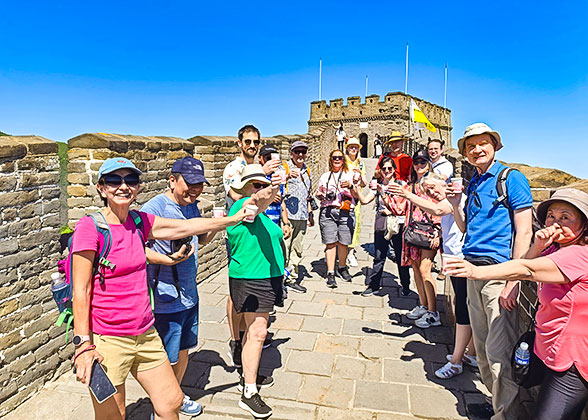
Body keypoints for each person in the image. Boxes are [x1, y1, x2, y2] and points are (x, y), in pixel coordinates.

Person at [71, 157, 246, 420]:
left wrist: (234, 218)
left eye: (130, 180)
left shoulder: (140, 222)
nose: (123, 186)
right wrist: (83, 346)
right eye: (114, 180)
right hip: (109, 339)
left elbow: (186, 227)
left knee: (171, 402)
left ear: (138, 187)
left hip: (145, 332)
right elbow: (81, 291)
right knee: (113, 414)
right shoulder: (90, 227)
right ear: (101, 187)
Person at [446, 188, 588, 420]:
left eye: (566, 217)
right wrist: (539, 246)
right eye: (551, 216)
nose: (555, 222)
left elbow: (528, 270)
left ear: (584, 225)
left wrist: (476, 271)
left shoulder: (579, 255)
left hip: (571, 359)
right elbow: (528, 264)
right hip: (549, 349)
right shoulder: (556, 248)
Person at [448, 123, 533, 419]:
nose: (476, 150)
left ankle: (506, 415)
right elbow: (465, 228)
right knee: (482, 350)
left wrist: (514, 280)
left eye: (483, 143)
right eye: (471, 146)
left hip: (498, 274)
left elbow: (524, 233)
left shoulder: (512, 178)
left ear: (495, 146)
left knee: (498, 354)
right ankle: (497, 404)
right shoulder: (475, 181)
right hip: (472, 271)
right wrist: (455, 204)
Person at [140, 157, 216, 417]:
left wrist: (217, 223)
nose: (195, 190)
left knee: (183, 351)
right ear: (172, 180)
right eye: (190, 183)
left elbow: (201, 239)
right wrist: (167, 259)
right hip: (165, 298)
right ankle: (161, 407)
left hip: (189, 294)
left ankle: (177, 396)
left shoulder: (191, 206)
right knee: (165, 359)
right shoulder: (153, 208)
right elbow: (137, 249)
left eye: (200, 184)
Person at [388, 172, 477, 377]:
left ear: (444, 182)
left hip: (463, 260)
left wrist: (407, 194)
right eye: (427, 190)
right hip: (455, 259)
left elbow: (437, 209)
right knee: (467, 307)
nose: (432, 192)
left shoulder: (454, 200)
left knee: (465, 309)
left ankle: (457, 361)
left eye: (434, 188)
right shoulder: (450, 201)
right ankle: (470, 353)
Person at [226, 164, 284, 418]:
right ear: (245, 188)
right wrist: (271, 188)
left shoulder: (262, 216)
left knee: (254, 331)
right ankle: (249, 392)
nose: (260, 189)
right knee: (260, 332)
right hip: (250, 276)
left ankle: (247, 374)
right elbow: (256, 202)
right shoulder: (242, 208)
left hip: (268, 276)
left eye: (263, 184)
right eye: (255, 184)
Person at [223, 125, 280, 370]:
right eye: (248, 141)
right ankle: (237, 340)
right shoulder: (234, 169)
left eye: (256, 141)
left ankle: (249, 338)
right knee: (237, 294)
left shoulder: (258, 169)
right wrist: (266, 185)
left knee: (252, 306)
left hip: (262, 233)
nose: (252, 145)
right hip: (241, 234)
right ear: (239, 142)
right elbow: (243, 200)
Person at [397, 149, 442, 328]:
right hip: (412, 232)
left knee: (425, 270)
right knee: (416, 269)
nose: (419, 166)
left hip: (430, 233)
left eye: (423, 162)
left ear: (429, 163)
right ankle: (423, 305)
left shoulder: (434, 182)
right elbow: (400, 208)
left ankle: (433, 313)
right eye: (416, 163)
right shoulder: (411, 185)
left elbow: (440, 206)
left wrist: (438, 231)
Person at [354, 157, 409, 297]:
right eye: (384, 168)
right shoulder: (377, 185)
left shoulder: (400, 184)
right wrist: (355, 188)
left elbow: (403, 206)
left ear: (394, 170)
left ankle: (406, 286)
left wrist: (391, 210)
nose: (387, 171)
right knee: (379, 256)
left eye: (390, 168)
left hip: (398, 224)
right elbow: (365, 200)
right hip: (382, 223)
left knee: (400, 255)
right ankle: (374, 285)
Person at [316, 149, 360, 288]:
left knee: (343, 242)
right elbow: (319, 193)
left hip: (346, 210)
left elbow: (357, 195)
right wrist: (320, 195)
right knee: (330, 242)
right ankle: (330, 273)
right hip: (328, 211)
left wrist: (351, 186)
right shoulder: (325, 176)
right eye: (334, 157)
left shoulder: (350, 174)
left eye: (340, 157)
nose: (337, 160)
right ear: (330, 159)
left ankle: (342, 267)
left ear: (343, 159)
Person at [281, 140, 314, 293]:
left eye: (303, 152)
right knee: (284, 248)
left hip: (302, 215)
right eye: (297, 151)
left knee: (297, 248)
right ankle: (280, 279)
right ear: (291, 153)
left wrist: (310, 213)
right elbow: (274, 186)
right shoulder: (285, 167)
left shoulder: (307, 170)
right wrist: (286, 176)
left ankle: (292, 278)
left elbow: (308, 194)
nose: (300, 155)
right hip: (287, 215)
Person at [344, 137, 367, 267]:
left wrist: (360, 176)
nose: (353, 149)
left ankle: (351, 253)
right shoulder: (342, 161)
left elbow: (364, 182)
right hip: (343, 197)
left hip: (356, 197)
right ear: (347, 148)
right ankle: (337, 251)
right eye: (351, 146)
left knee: (355, 225)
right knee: (341, 223)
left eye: (356, 147)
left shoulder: (361, 163)